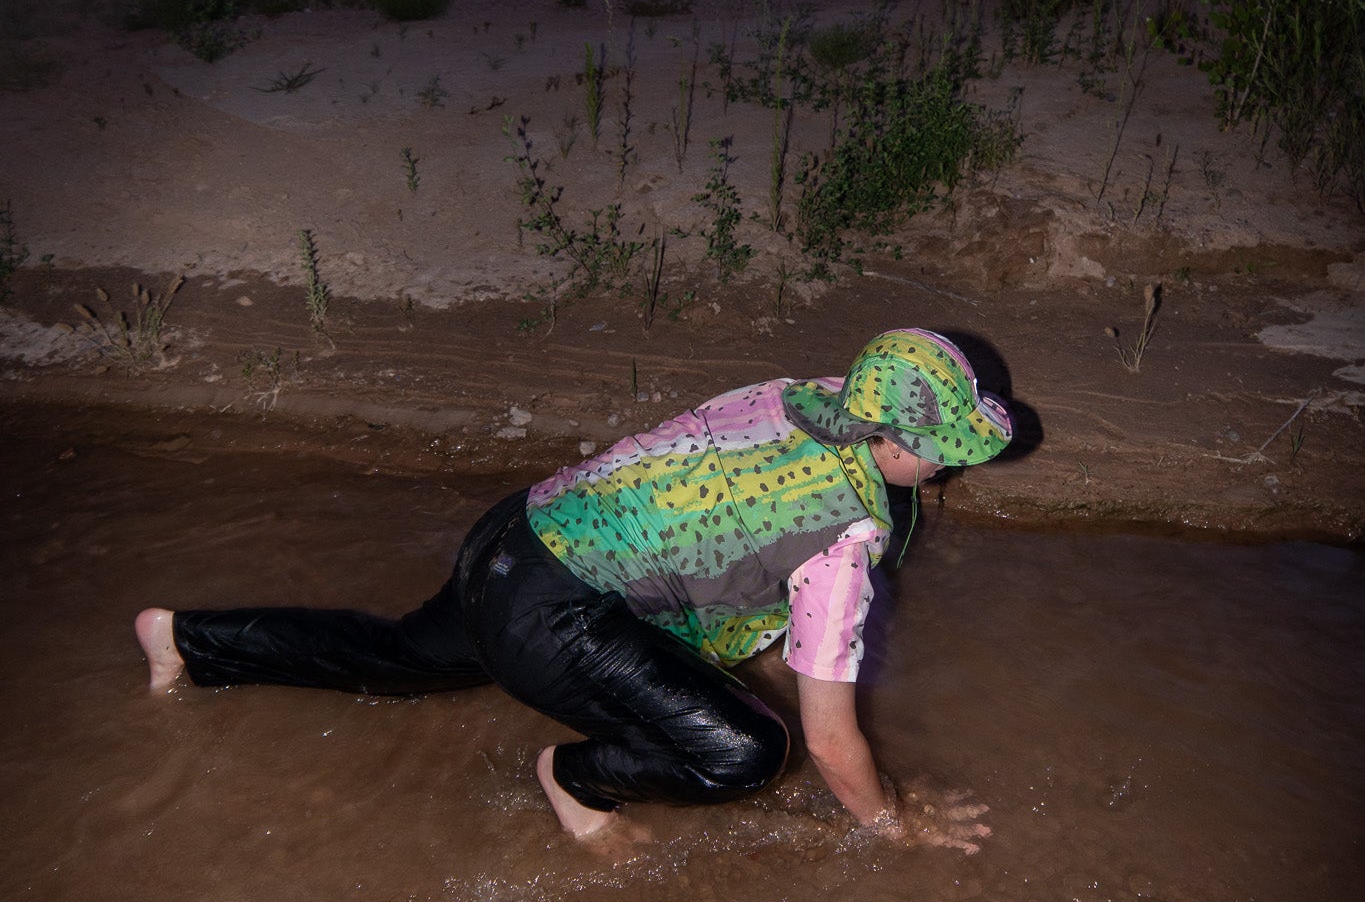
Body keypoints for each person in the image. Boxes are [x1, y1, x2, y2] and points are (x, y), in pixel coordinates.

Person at [136, 328, 1010, 856]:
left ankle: (185, 638)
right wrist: (891, 823)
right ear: (890, 441)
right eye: (943, 450)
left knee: (403, 659)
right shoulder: (844, 546)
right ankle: (576, 781)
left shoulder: (799, 396)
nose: (944, 466)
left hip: (516, 534)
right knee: (744, 751)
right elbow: (828, 743)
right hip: (550, 610)